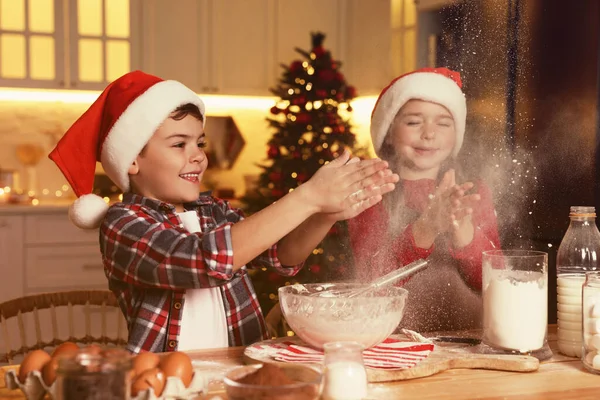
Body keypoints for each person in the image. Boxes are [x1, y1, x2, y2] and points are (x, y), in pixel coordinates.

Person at [49, 70, 399, 353]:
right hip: (168, 383)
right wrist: (307, 197)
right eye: (179, 144)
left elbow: (281, 256)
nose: (198, 155)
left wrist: (326, 212)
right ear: (133, 160)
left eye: (199, 142)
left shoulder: (213, 211)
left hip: (238, 371)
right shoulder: (123, 224)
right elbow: (204, 262)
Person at [348, 67, 500, 332]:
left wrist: (463, 232)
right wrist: (426, 227)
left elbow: (495, 281)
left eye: (443, 123)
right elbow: (371, 283)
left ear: (456, 136)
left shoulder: (474, 192)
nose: (429, 133)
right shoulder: (372, 190)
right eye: (413, 122)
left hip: (471, 343)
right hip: (394, 344)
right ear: (389, 133)